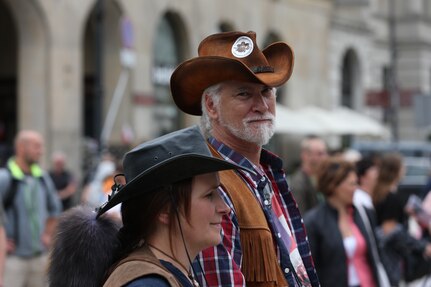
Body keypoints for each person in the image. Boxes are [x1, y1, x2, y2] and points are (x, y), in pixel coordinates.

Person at [170, 31, 319, 286]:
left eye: (266, 91)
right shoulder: (210, 184)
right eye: (244, 94)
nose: (261, 104)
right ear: (211, 106)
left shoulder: (267, 173)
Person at [48, 125, 250, 287]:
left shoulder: (172, 272)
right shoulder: (147, 282)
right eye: (209, 195)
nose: (225, 207)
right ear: (165, 210)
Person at [304, 157, 381, 287]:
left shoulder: (363, 213)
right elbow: (311, 269)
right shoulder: (314, 221)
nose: (356, 188)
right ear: (333, 185)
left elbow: (377, 254)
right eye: (352, 184)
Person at [0, 130, 62, 287]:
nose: (41, 151)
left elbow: (55, 208)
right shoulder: (4, 177)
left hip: (39, 258)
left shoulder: (42, 177)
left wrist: (47, 234)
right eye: (36, 147)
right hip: (12, 260)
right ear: (21, 148)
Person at [373, 152, 431, 285]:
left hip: (385, 255)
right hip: (390, 257)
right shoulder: (391, 197)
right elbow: (390, 231)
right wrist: (422, 246)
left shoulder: (379, 193)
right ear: (397, 170)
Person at [290, 136, 328, 214]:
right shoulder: (298, 184)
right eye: (320, 154)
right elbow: (300, 216)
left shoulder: (318, 178)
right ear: (305, 156)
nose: (325, 157)